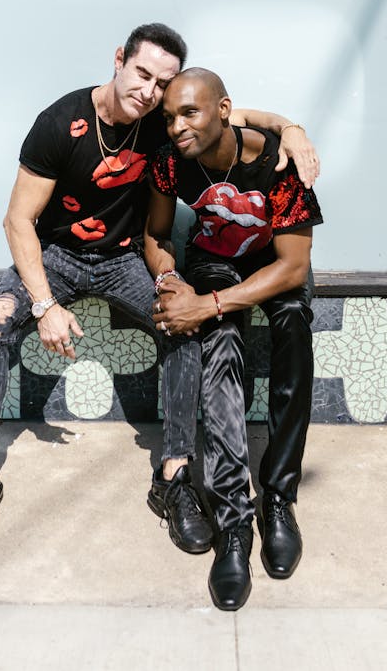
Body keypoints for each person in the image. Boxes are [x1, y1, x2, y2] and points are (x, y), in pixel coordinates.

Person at [0, 24, 320, 558]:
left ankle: (173, 476)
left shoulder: (167, 125)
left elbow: (236, 116)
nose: (148, 92)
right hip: (57, 256)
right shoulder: (60, 123)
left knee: (184, 328)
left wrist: (294, 129)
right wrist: (44, 304)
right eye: (142, 74)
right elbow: (17, 221)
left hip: (126, 258)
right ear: (119, 59)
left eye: (160, 84)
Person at [145, 67, 323, 611]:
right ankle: (234, 523)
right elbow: (156, 235)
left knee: (293, 327)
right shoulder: (172, 159)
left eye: (189, 113)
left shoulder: (279, 163)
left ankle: (277, 499)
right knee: (220, 347)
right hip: (215, 259)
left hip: (274, 263)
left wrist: (210, 303)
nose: (176, 126)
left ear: (224, 111)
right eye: (170, 116)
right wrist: (170, 280)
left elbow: (293, 267)